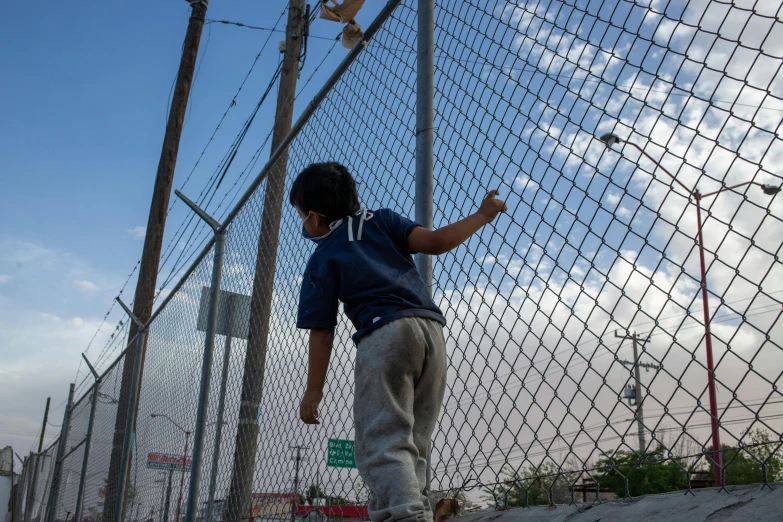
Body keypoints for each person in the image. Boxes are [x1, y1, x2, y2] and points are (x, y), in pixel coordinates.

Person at [292, 162, 506, 522]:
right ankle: (416, 512)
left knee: (383, 442)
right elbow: (436, 243)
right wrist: (482, 215)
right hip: (430, 331)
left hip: (384, 336)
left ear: (314, 217)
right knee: (415, 444)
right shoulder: (382, 220)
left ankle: (402, 516)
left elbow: (322, 330)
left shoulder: (322, 256)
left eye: (300, 216)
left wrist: (314, 389)